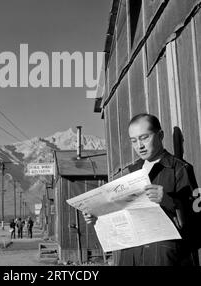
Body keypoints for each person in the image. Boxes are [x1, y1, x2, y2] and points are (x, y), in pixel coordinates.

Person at [83, 113, 200, 266]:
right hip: (130, 257)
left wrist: (168, 200)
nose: (139, 146)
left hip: (163, 257)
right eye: (134, 141)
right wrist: (97, 216)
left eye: (144, 137)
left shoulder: (179, 169)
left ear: (160, 135)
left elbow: (196, 221)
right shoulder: (128, 173)